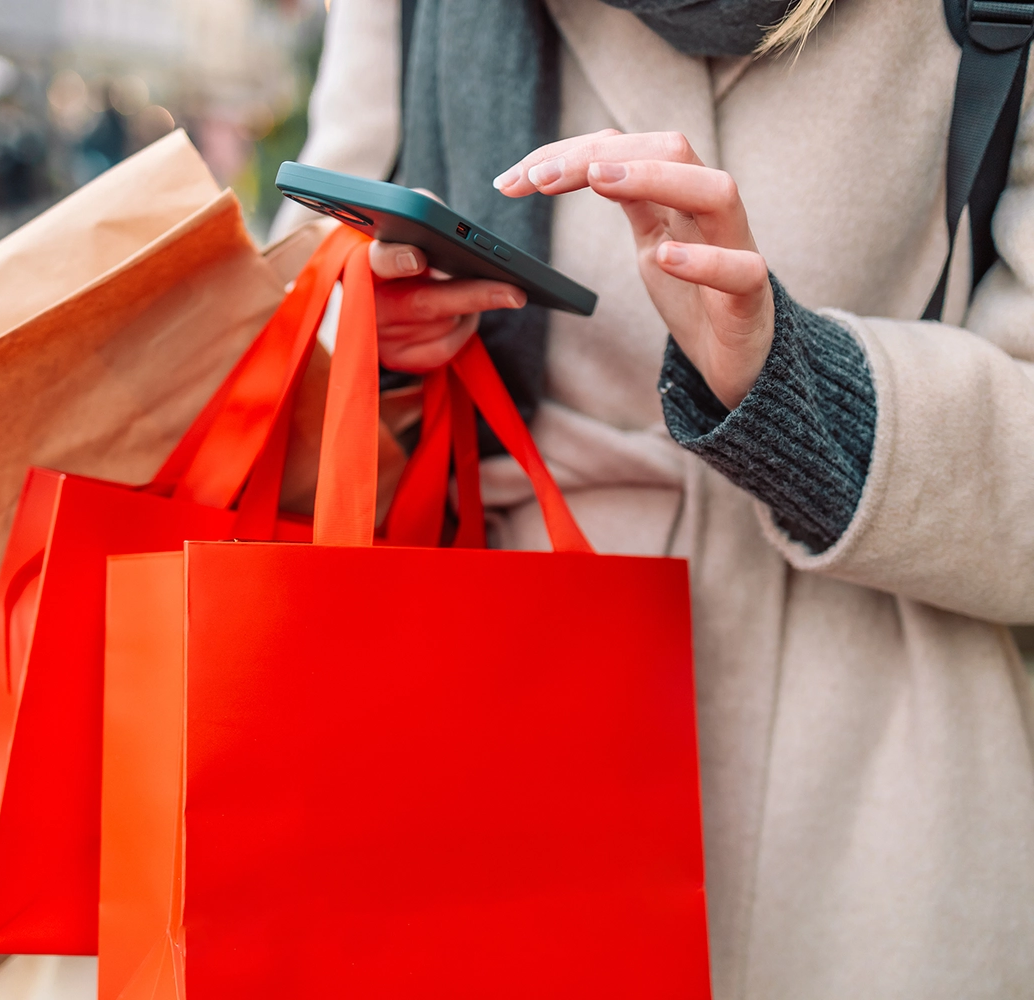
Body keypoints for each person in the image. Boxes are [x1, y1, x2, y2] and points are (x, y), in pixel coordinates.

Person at [272, 0, 1034, 997]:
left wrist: (800, 391)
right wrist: (385, 357)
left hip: (879, 798)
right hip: (477, 726)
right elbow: (302, 304)